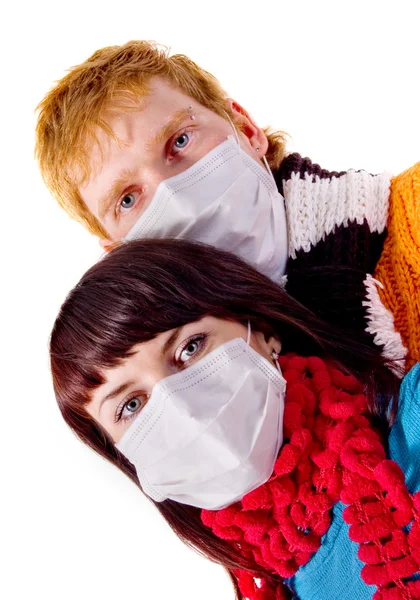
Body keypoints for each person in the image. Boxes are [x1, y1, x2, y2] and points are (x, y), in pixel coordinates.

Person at [50, 238, 420, 600]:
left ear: (262, 334)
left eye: (190, 347)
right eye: (131, 405)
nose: (182, 407)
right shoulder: (273, 582)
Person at [36, 40, 419, 369]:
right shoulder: (189, 390)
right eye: (129, 199)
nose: (177, 197)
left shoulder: (413, 211)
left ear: (247, 130)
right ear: (117, 252)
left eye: (180, 141)